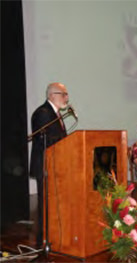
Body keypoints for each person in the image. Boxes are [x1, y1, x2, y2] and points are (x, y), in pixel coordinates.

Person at [30, 82, 69, 247]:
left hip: (56, 165)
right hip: (45, 166)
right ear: (52, 95)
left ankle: (54, 237)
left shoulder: (56, 113)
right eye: (63, 94)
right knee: (46, 205)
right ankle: (43, 241)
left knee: (55, 204)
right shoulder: (43, 113)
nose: (67, 97)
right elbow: (48, 140)